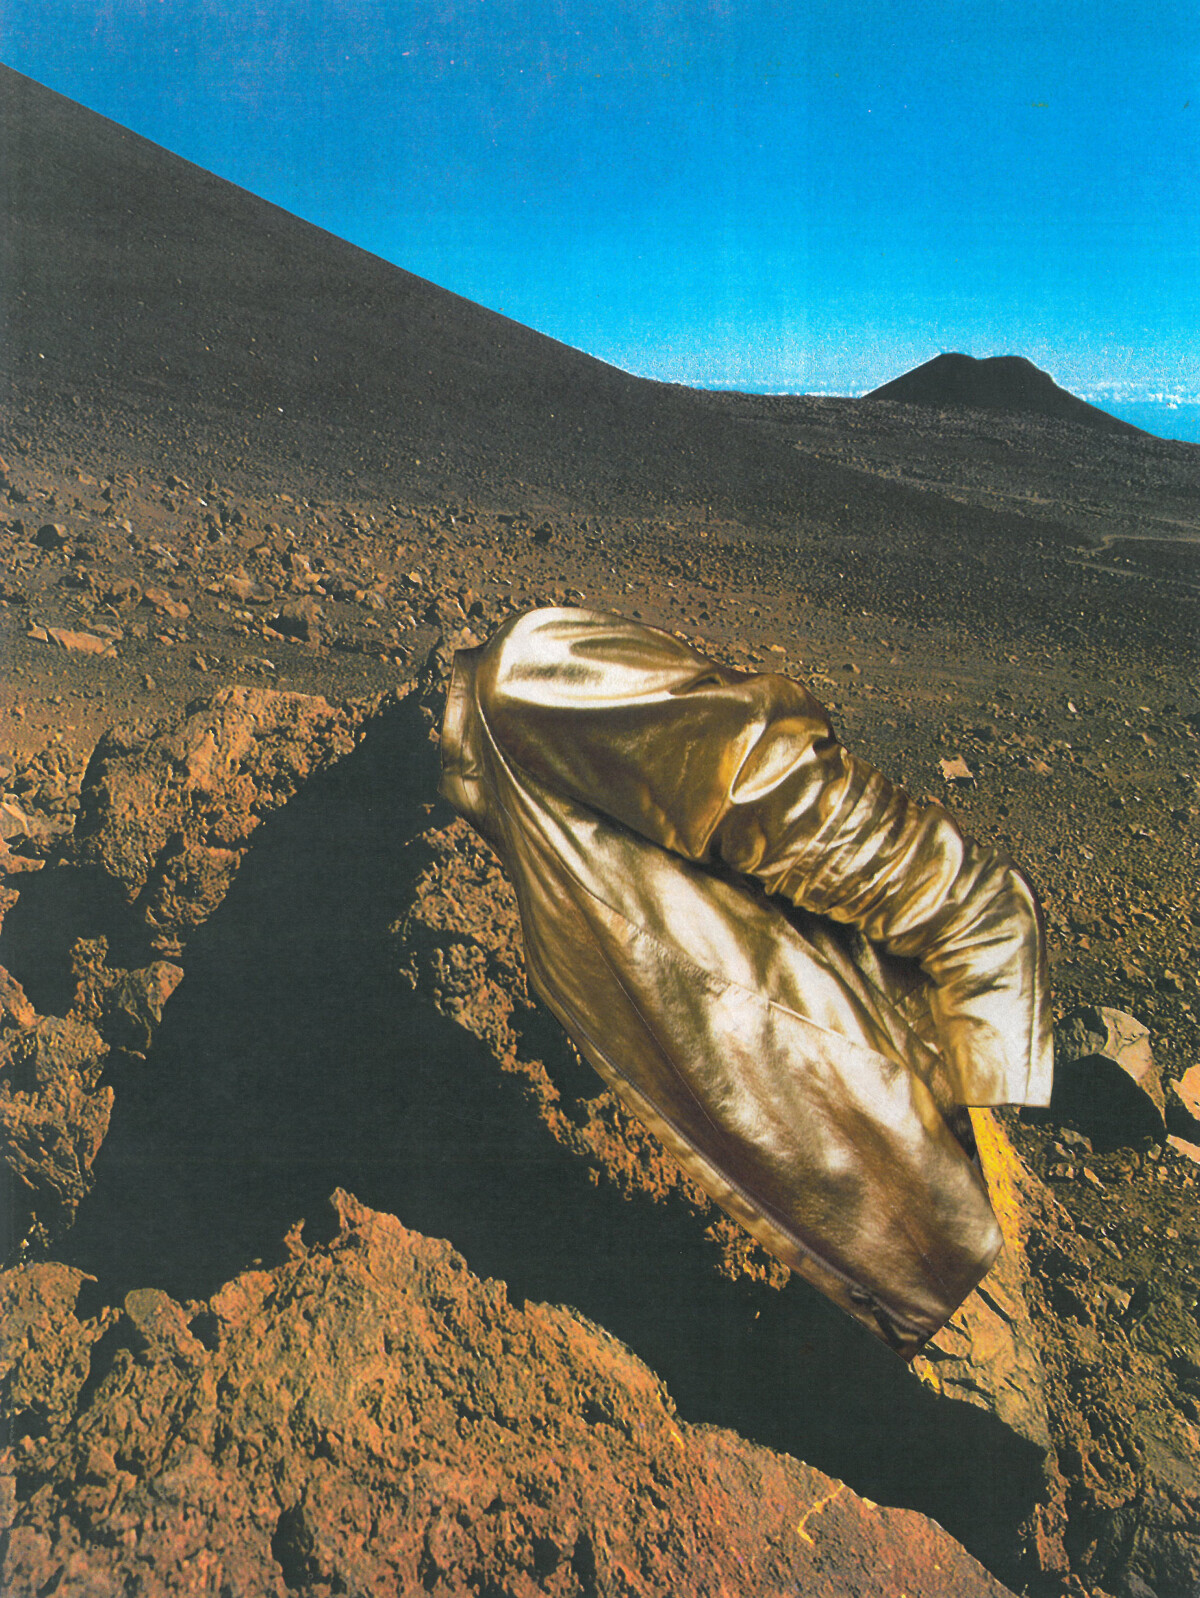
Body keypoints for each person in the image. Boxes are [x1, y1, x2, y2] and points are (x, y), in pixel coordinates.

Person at [439, 606, 1052, 1358]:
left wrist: (972, 920)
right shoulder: (488, 771)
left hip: (902, 1147)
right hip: (843, 1215)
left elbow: (771, 783)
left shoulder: (528, 679)